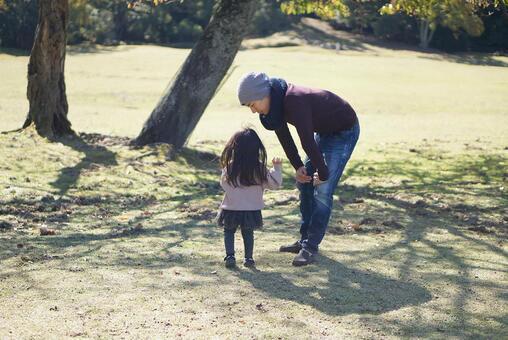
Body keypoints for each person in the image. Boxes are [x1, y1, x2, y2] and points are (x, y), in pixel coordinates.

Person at [237, 72, 360, 266]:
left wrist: (323, 172)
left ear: (264, 95)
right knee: (304, 184)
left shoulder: (294, 100)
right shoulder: (275, 107)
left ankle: (311, 247)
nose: (253, 111)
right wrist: (299, 167)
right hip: (324, 132)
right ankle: (304, 240)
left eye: (253, 104)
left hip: (343, 131)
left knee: (323, 189)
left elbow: (306, 140)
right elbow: (285, 137)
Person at [218, 128, 283, 268]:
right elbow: (274, 184)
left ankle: (230, 255)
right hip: (251, 208)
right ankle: (248, 258)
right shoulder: (259, 168)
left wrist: (234, 194)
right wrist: (277, 169)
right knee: (248, 232)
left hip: (232, 207)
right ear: (256, 149)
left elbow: (223, 183)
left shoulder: (230, 167)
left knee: (229, 231)